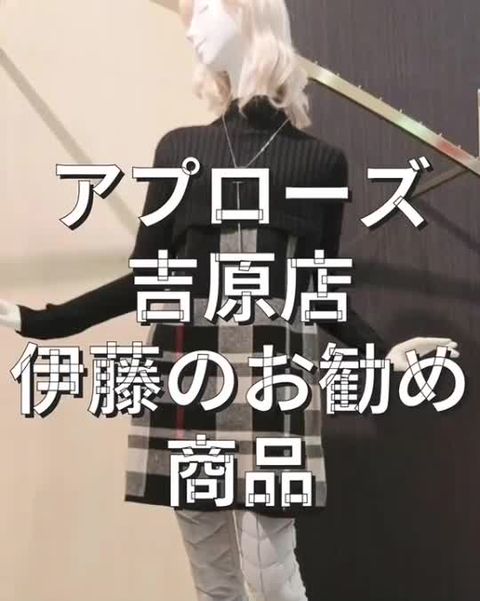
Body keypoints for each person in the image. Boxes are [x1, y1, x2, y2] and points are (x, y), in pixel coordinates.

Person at [0, 1, 459, 600]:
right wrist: (41, 321)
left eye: (205, 10)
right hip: (191, 369)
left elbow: (317, 289)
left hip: (274, 374)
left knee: (273, 572)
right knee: (213, 577)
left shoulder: (320, 162)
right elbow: (148, 277)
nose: (191, 28)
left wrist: (380, 354)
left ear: (253, 17)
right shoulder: (178, 150)